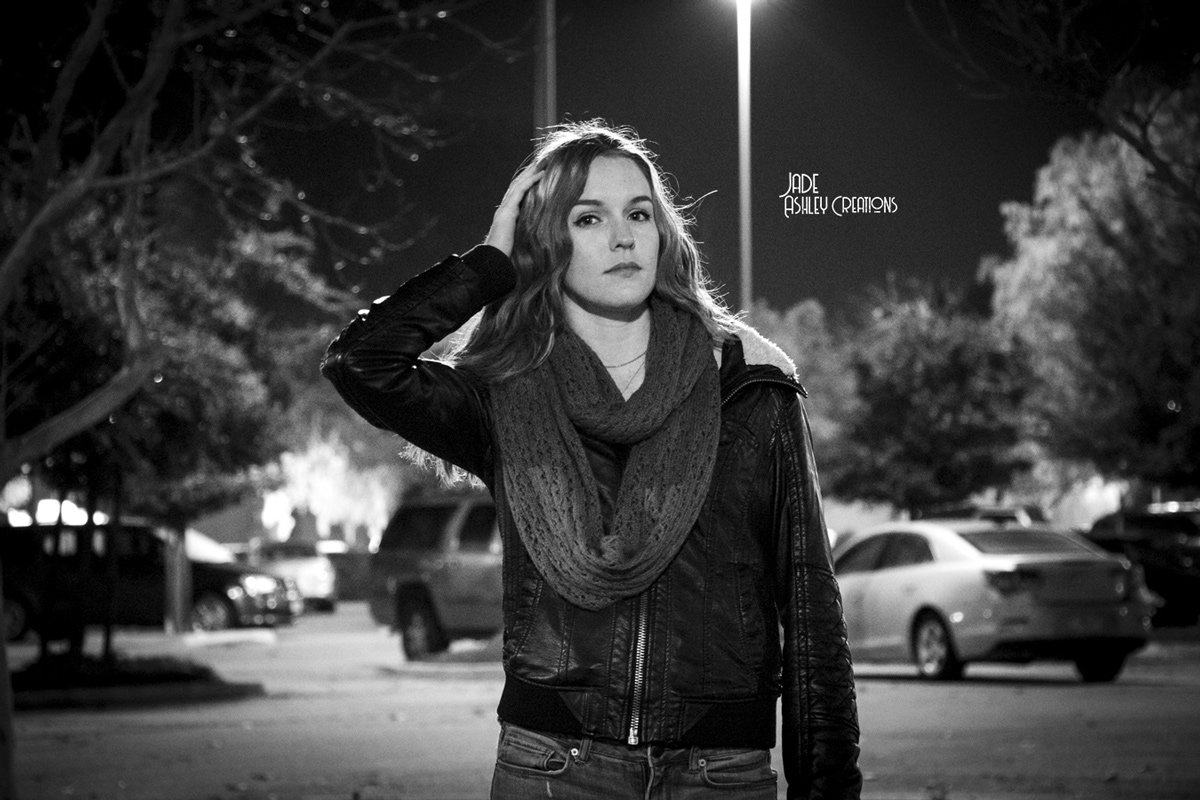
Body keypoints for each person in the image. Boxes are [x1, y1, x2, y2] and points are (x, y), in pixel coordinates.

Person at [321, 120, 862, 799]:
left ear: (664, 233)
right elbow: (360, 363)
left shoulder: (751, 387)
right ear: (546, 242)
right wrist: (489, 263)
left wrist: (830, 788)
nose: (623, 236)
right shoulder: (505, 396)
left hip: (720, 772)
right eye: (588, 218)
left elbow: (811, 611)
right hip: (553, 766)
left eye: (639, 213)